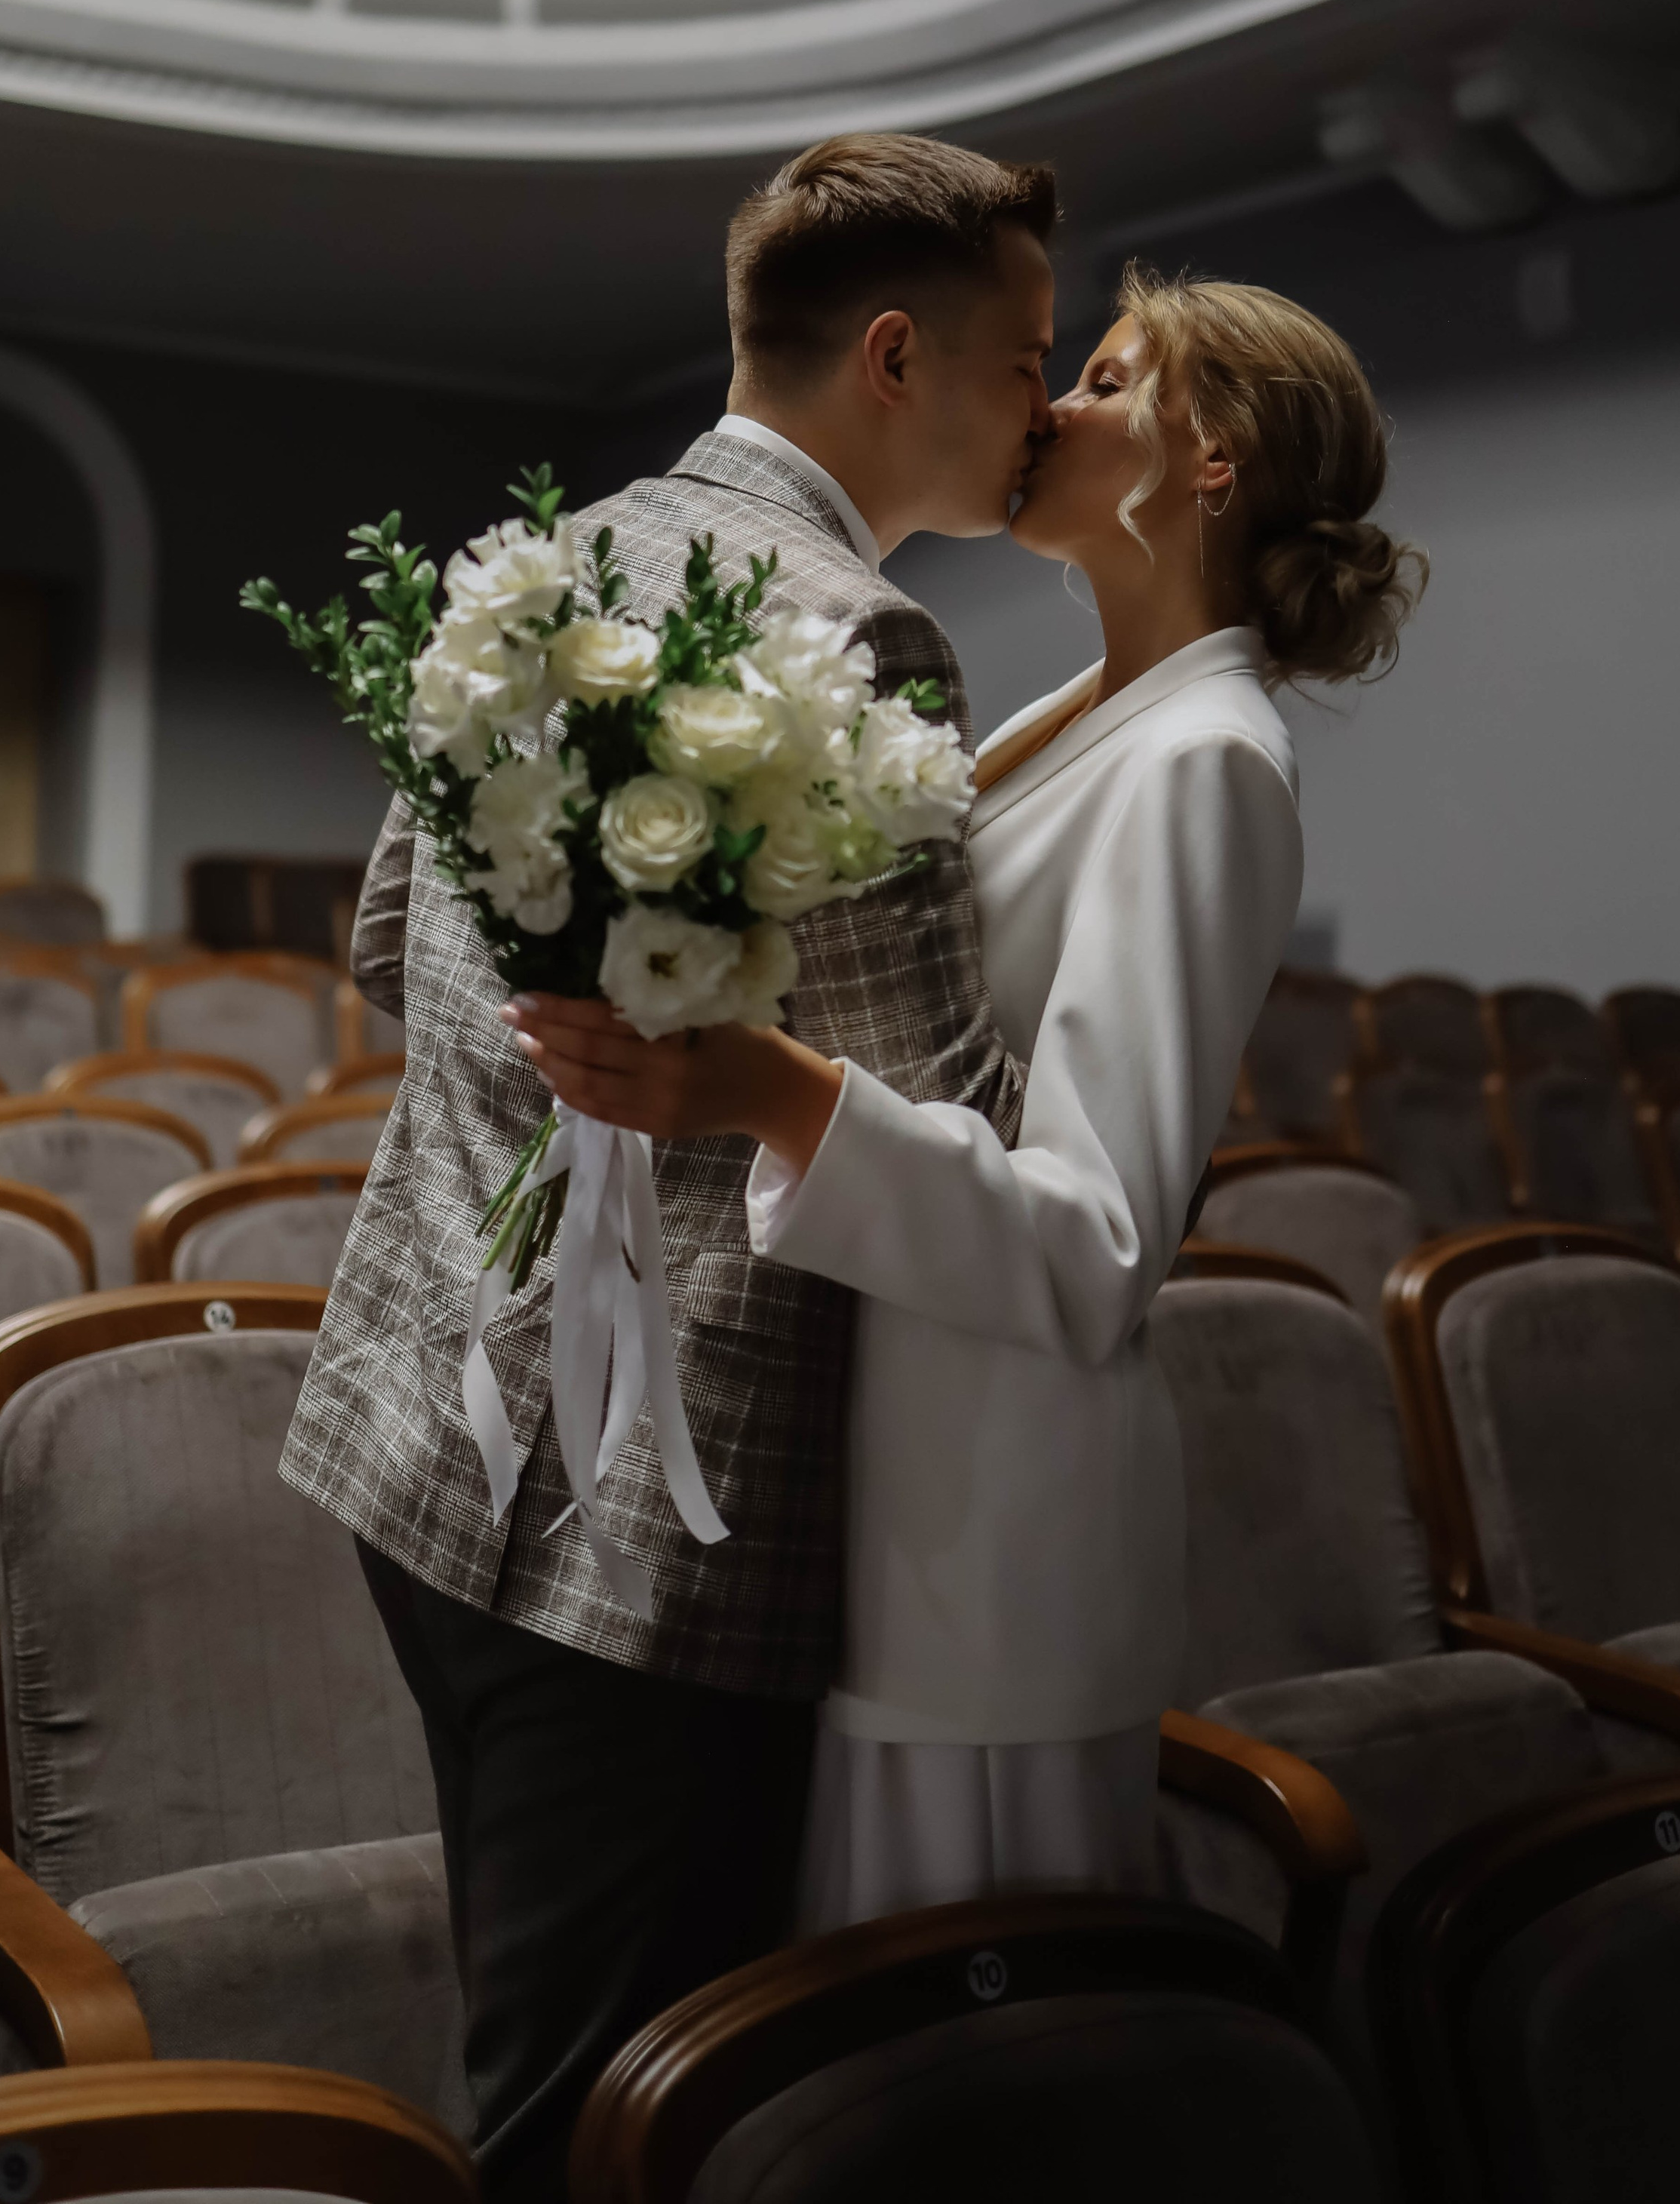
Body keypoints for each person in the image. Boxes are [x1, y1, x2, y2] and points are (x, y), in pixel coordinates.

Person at [280, 132, 1058, 2197]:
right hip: (642, 1518)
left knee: (538, 2030)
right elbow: (945, 1125)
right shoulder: (863, 637)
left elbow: (383, 945)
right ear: (896, 354)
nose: (1049, 410)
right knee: (613, 2116)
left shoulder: (534, 560)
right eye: (1027, 359)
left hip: (418, 1432)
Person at [510, 263, 1426, 1928]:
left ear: (1206, 455)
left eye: (1102, 378)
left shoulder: (1205, 756)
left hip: (988, 1529)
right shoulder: (1078, 714)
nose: (1045, 408)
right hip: (886, 1469)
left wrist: (771, 1089)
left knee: (956, 2077)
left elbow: (1095, 1245)